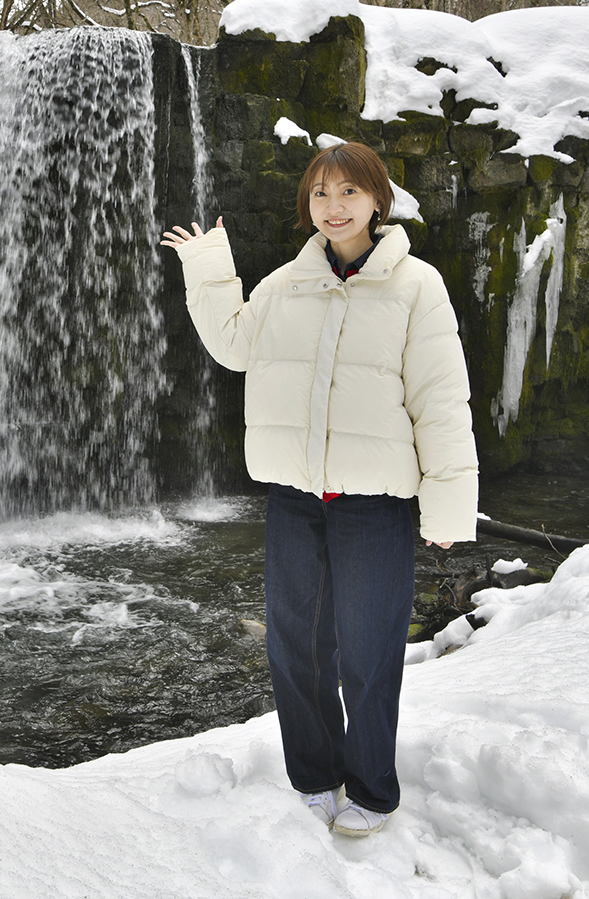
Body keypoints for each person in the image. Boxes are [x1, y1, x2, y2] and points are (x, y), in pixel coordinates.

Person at [161, 142, 477, 837]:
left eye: (348, 194)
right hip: (297, 499)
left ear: (377, 202)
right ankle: (313, 774)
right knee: (295, 645)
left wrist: (447, 505)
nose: (333, 208)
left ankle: (370, 789)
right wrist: (210, 267)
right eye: (320, 195)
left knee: (367, 651)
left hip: (374, 506)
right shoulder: (284, 283)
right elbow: (235, 347)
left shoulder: (417, 285)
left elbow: (442, 400)